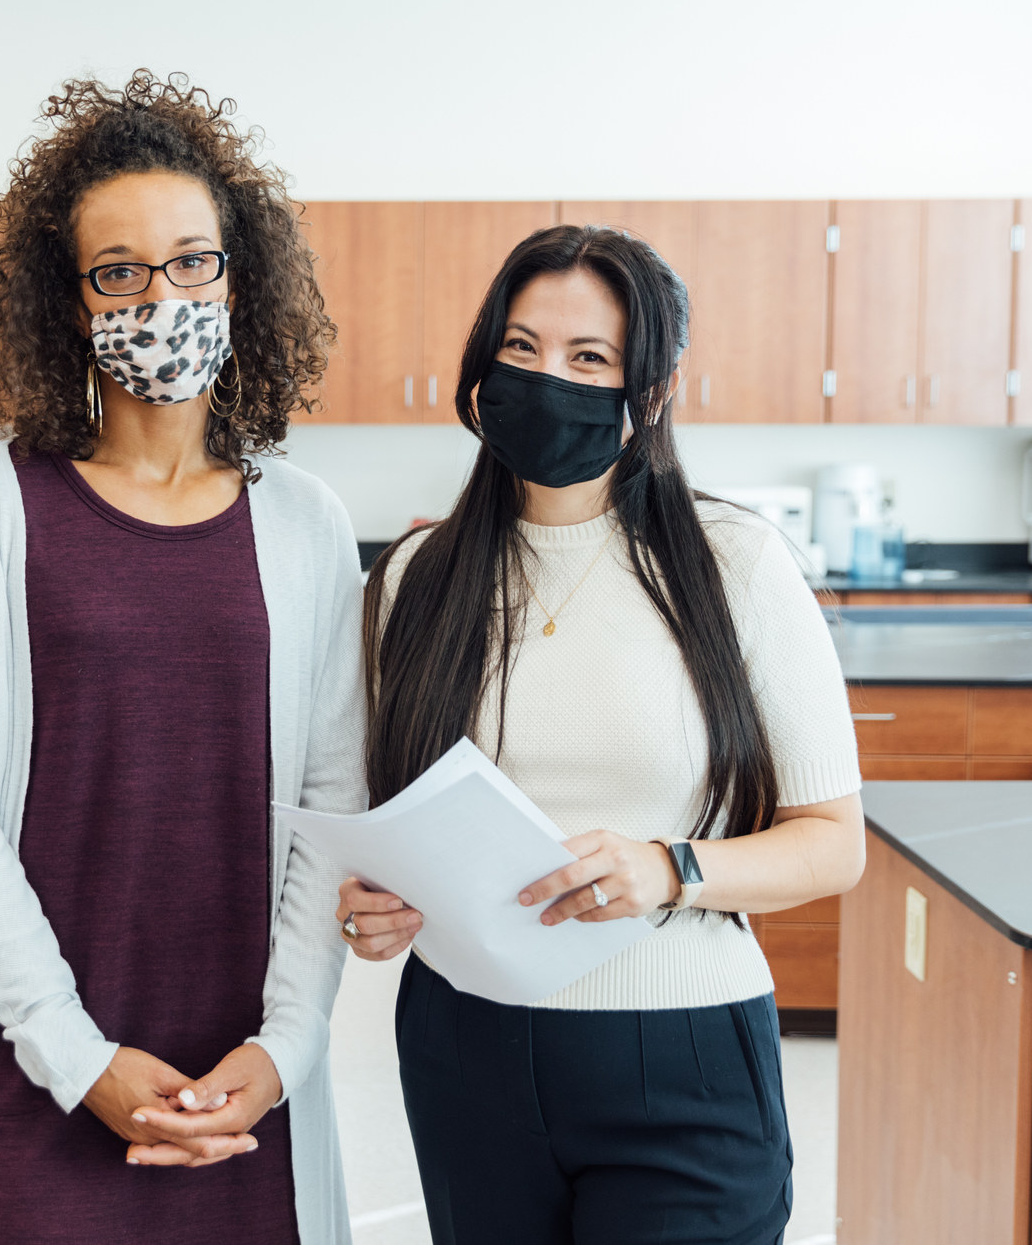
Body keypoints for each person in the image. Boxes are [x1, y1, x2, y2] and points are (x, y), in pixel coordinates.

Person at [0, 72, 366, 1245]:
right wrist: (77, 1054)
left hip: (240, 1090)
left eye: (192, 261)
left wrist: (285, 1045)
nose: (164, 298)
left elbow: (330, 806)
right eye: (121, 271)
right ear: (72, 302)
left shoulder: (305, 524)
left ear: (238, 277)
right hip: (39, 1075)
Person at [337, 224, 865, 1245]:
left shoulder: (736, 565)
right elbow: (382, 822)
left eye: (590, 360)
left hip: (682, 1051)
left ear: (650, 393)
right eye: (522, 348)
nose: (547, 379)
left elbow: (833, 841)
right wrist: (362, 906)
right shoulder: (416, 579)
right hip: (462, 1041)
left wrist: (668, 868)